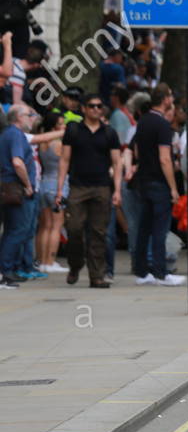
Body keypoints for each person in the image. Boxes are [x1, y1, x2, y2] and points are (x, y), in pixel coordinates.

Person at [54, 95, 122, 288]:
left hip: (101, 187)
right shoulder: (74, 130)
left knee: (98, 233)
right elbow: (64, 160)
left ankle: (97, 275)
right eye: (91, 106)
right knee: (74, 228)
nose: (95, 109)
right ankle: (75, 264)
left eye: (99, 106)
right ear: (84, 109)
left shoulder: (109, 133)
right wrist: (60, 189)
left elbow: (117, 163)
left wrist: (117, 190)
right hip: (78, 186)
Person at [129, 85, 185, 286]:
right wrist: (173, 187)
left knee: (144, 228)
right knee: (160, 229)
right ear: (165, 100)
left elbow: (136, 152)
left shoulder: (142, 122)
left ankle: (143, 271)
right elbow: (165, 159)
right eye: (170, 96)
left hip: (144, 180)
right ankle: (162, 272)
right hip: (159, 182)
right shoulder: (162, 126)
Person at [0, 104, 39, 287]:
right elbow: (17, 162)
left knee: (12, 230)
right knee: (17, 231)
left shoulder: (10, 134)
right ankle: (6, 271)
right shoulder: (15, 134)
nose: (32, 118)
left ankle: (9, 269)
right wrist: (28, 184)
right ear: (18, 118)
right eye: (29, 115)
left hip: (11, 188)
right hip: (17, 189)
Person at [35, 111, 68, 273]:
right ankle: (50, 261)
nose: (64, 126)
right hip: (57, 184)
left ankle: (41, 261)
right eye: (61, 123)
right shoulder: (59, 144)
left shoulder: (42, 143)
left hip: (43, 183)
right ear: (55, 126)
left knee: (44, 226)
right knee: (56, 225)